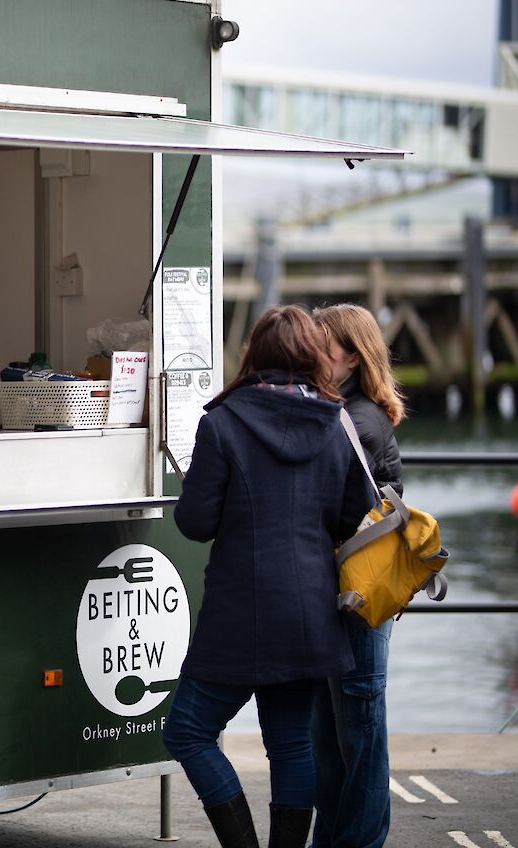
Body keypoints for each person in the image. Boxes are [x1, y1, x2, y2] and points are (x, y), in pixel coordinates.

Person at [162, 305, 373, 848]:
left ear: (253, 354)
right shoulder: (336, 421)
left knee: (188, 730)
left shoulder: (223, 421)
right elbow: (356, 513)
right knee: (291, 746)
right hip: (310, 612)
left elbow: (195, 523)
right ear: (310, 356)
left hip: (239, 611)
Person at [309, 303, 405, 848]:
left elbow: (325, 502)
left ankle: (360, 841)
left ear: (352, 354)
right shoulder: (350, 412)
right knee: (336, 731)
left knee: (360, 732)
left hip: (358, 596)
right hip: (351, 592)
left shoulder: (356, 423)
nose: (313, 351)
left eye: (323, 342)